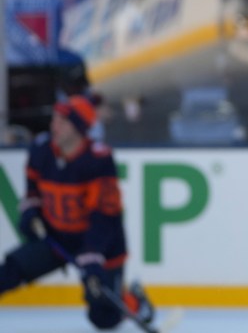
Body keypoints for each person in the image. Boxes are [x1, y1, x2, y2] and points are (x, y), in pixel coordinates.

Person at [0, 95, 154, 329]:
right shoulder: (42, 150)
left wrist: (92, 255)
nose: (54, 126)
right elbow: (32, 190)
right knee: (9, 272)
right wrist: (31, 213)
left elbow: (104, 216)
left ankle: (133, 301)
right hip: (56, 238)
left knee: (103, 318)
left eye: (63, 122)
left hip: (101, 243)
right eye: (54, 119)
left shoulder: (98, 160)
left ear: (79, 129)